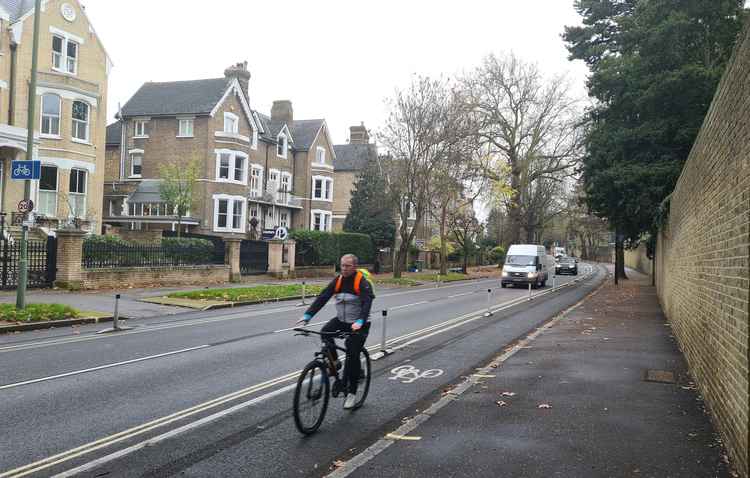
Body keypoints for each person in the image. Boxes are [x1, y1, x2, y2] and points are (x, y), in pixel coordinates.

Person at [296, 253, 374, 409]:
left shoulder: (361, 282)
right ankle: (335, 362)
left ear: (355, 267)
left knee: (352, 354)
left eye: (347, 266)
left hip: (360, 324)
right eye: (342, 265)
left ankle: (352, 393)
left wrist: (360, 321)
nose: (343, 269)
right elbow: (323, 297)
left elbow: (367, 303)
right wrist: (307, 316)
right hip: (342, 320)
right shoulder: (338, 280)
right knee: (325, 331)